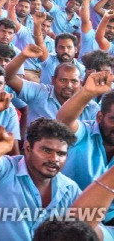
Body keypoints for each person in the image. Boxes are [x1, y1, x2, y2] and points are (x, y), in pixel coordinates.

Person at [0, 118, 81, 240]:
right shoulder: (5, 170)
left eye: (61, 154)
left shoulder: (70, 189)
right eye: (46, 150)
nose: (54, 159)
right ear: (28, 148)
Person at [57, 71, 114, 223]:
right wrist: (87, 92)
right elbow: (63, 122)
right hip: (69, 216)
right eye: (113, 119)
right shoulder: (84, 132)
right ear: (99, 117)